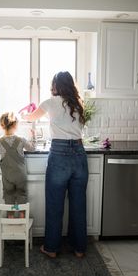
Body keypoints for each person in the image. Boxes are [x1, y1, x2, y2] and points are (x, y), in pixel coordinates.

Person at [21, 71, 88, 258]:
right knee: (78, 204)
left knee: (54, 204)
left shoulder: (50, 102)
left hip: (59, 154)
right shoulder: (78, 103)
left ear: (56, 86)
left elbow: (30, 118)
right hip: (79, 153)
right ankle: (79, 248)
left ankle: (51, 248)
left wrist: (24, 113)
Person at [0, 112, 36, 217]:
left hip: (7, 176)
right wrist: (34, 136)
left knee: (8, 195)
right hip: (20, 175)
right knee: (21, 195)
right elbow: (32, 148)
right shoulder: (21, 140)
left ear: (2, 126)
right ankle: (22, 218)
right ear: (15, 125)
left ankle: (10, 219)